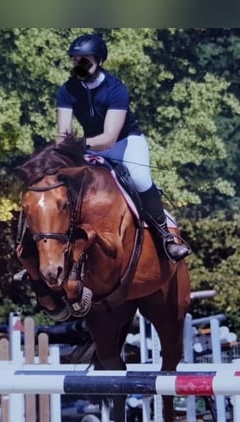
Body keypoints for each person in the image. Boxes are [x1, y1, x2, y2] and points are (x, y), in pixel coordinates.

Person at [56, 33, 190, 262]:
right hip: (89, 146)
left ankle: (165, 238)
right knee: (57, 182)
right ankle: (43, 249)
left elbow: (108, 138)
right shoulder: (67, 90)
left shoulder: (116, 89)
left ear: (99, 61)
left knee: (139, 179)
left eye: (84, 60)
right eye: (75, 60)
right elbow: (63, 134)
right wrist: (63, 148)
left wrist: (76, 144)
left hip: (125, 143)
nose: (78, 65)